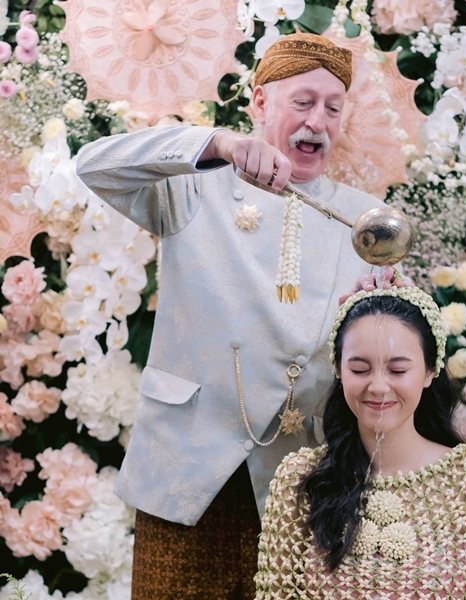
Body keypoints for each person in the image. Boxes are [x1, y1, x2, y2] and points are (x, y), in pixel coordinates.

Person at [75, 33, 389, 597]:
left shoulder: (366, 222)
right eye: (302, 101)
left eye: (333, 107)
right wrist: (217, 144)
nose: (317, 121)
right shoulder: (192, 185)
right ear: (260, 103)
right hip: (187, 466)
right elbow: (94, 165)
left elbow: (385, 355)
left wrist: (384, 315)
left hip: (300, 484)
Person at [253, 286, 466, 596]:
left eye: (397, 369)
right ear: (340, 370)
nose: (379, 386)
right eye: (360, 369)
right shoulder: (299, 479)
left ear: (429, 371)